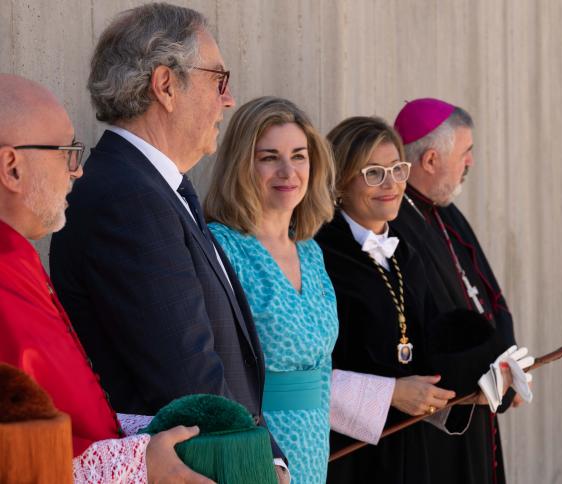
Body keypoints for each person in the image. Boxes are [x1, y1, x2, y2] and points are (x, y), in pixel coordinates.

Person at [48, 4, 286, 479]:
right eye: (219, 79)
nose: (229, 98)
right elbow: (186, 369)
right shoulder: (127, 196)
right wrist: (261, 465)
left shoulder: (154, 186)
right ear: (165, 85)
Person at [0, 73, 211, 483]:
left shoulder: (18, 258)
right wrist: (136, 465)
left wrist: (142, 439)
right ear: (12, 168)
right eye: (67, 153)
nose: (76, 172)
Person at [315, 117, 526, 484]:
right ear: (340, 180)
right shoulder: (321, 254)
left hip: (408, 448)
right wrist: (390, 394)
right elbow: (311, 370)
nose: (391, 184)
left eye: (397, 169)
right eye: (373, 173)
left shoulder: (405, 254)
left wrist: (477, 384)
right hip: (349, 454)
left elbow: (426, 344)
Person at [204, 96, 338, 483]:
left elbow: (323, 369)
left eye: (299, 155)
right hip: (256, 451)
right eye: (269, 158)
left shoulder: (311, 251)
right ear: (242, 164)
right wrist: (249, 453)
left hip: (314, 447)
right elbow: (215, 366)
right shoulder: (221, 247)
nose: (287, 171)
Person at [391, 98, 519, 484]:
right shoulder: (393, 225)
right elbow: (428, 326)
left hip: (480, 395)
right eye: (466, 152)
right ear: (430, 161)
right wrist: (482, 373)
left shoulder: (443, 210)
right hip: (443, 412)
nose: (471, 162)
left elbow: (488, 294)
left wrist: (507, 363)